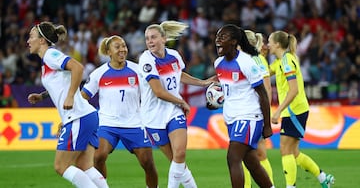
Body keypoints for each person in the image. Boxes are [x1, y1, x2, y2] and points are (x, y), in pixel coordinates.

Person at [26, 21, 109, 188]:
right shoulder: (47, 61)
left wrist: (70, 96)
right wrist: (42, 96)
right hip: (86, 115)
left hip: (78, 116)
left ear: (42, 40)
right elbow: (61, 83)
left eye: (31, 36)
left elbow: (77, 68)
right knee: (85, 166)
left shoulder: (50, 55)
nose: (28, 41)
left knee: (61, 166)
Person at [138, 20, 212, 188]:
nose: (150, 41)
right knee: (176, 162)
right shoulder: (146, 60)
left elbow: (179, 74)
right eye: (147, 38)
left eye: (153, 37)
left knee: (180, 154)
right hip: (152, 116)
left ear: (164, 39)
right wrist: (182, 101)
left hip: (173, 111)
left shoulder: (174, 55)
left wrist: (202, 83)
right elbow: (158, 91)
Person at [81, 35, 158, 188]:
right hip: (108, 124)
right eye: (118, 47)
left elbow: (153, 92)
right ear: (109, 52)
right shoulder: (99, 73)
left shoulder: (137, 71)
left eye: (124, 46)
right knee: (99, 156)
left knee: (147, 163)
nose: (122, 49)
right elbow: (82, 98)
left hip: (135, 124)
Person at [268, 30, 335, 188]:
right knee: (294, 152)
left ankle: (291, 186)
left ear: (277, 44)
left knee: (285, 150)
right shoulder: (281, 61)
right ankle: (323, 178)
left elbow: (294, 90)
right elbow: (263, 73)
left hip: (294, 110)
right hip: (294, 110)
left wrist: (278, 110)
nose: (267, 44)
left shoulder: (286, 61)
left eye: (269, 41)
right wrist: (259, 56)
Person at [210, 24, 274, 188]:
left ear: (233, 42)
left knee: (233, 157)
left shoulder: (246, 63)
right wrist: (214, 102)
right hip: (232, 119)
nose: (217, 40)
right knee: (252, 163)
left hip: (249, 117)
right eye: (217, 37)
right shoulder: (218, 64)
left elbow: (263, 94)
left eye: (222, 37)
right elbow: (229, 90)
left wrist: (266, 125)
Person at [244, 29, 274, 186]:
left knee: (261, 154)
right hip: (243, 113)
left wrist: (265, 114)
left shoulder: (258, 60)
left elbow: (267, 89)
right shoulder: (240, 61)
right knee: (243, 153)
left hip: (257, 113)